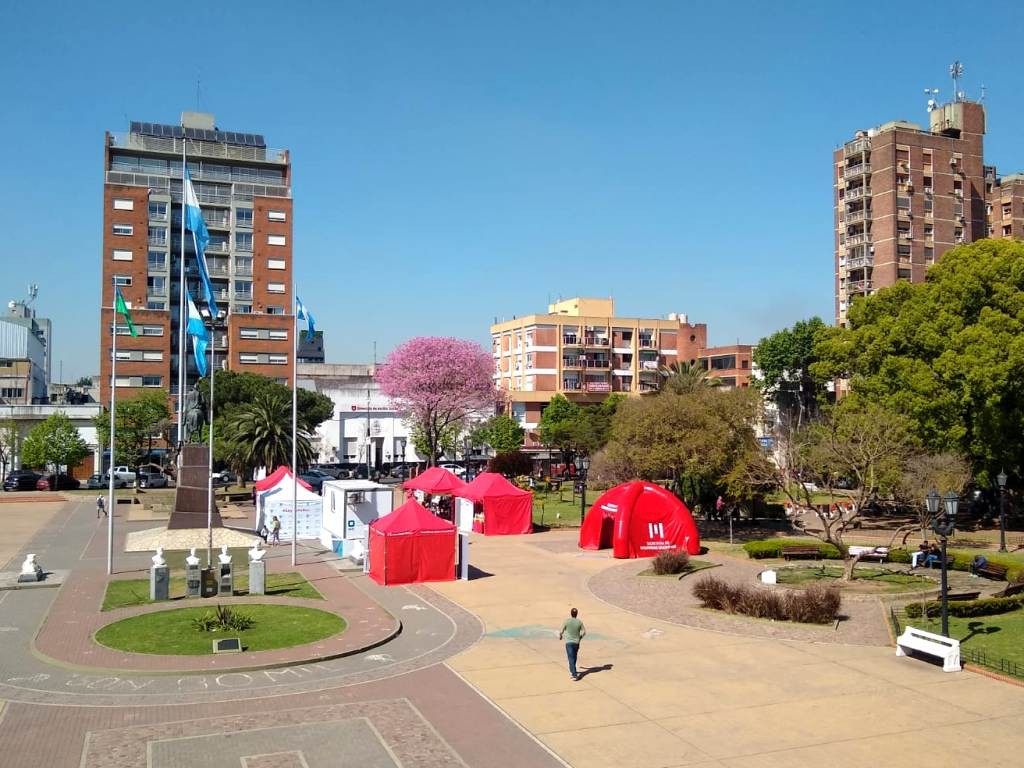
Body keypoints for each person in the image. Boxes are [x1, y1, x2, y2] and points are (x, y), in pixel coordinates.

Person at [558, 607, 586, 681]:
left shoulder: (567, 621)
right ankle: (573, 670)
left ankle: (574, 674)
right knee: (574, 657)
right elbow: (584, 632)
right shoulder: (579, 622)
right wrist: (580, 637)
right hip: (576, 642)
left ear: (571, 613)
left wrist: (560, 636)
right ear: (576, 614)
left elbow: (561, 631)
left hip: (569, 642)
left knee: (571, 658)